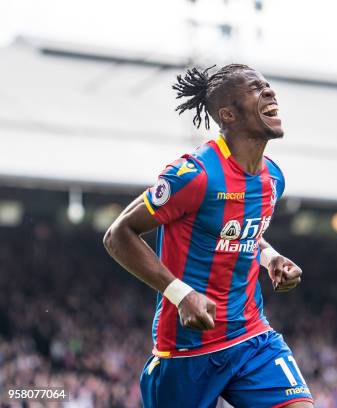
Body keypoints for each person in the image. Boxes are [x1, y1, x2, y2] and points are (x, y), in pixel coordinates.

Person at [103, 64, 313, 408]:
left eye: (268, 86)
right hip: (188, 348)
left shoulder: (273, 178)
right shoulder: (195, 174)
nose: (270, 92)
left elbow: (241, 231)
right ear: (228, 114)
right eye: (256, 89)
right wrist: (181, 295)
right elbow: (118, 234)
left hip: (252, 337)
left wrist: (270, 257)